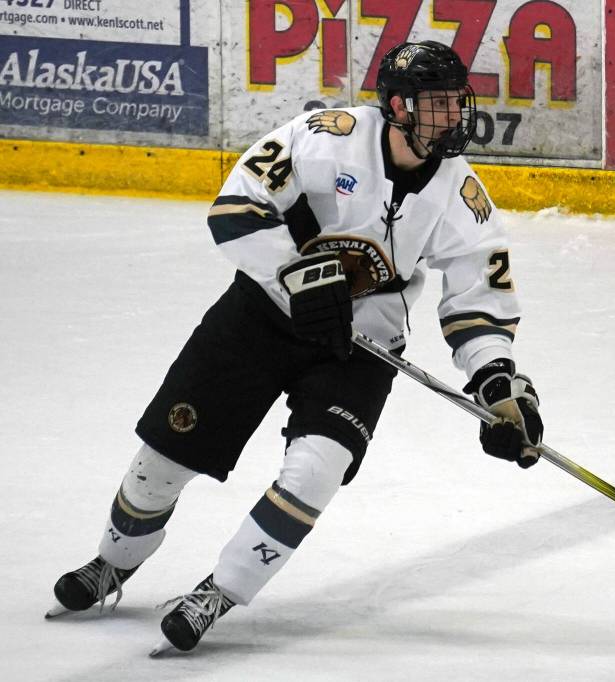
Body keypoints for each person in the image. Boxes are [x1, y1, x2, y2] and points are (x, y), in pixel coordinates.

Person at [46, 40, 544, 656]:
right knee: (162, 462)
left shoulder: (462, 196)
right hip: (259, 317)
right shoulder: (322, 136)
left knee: (317, 469)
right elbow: (235, 209)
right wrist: (299, 276)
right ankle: (113, 563)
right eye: (437, 103)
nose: (455, 116)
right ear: (396, 105)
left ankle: (220, 592)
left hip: (360, 344)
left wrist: (498, 384)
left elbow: (478, 299)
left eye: (456, 102)